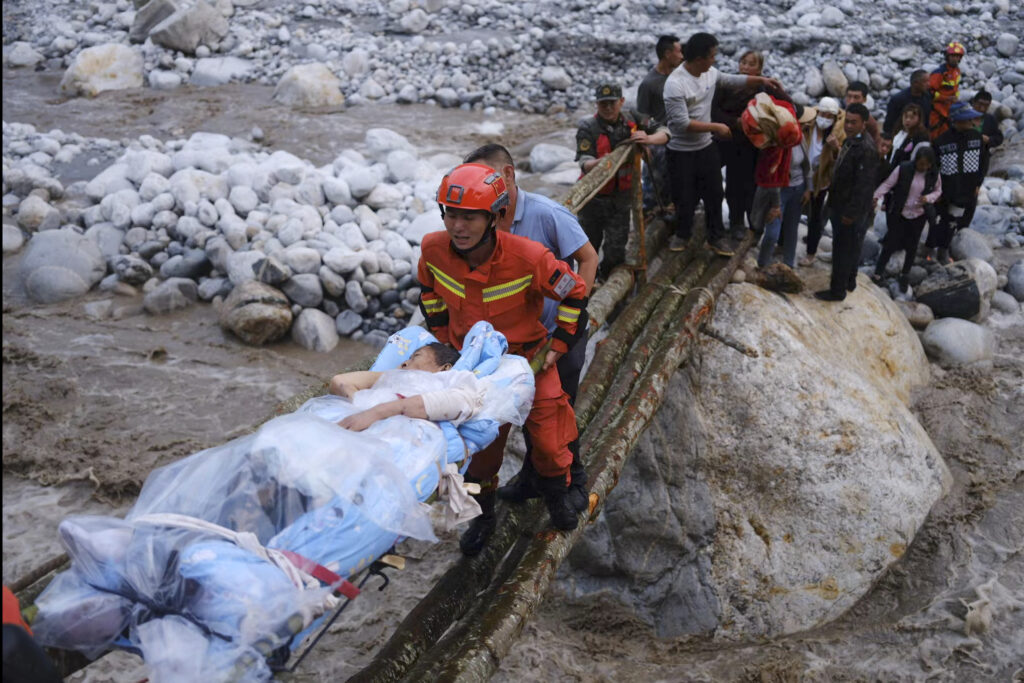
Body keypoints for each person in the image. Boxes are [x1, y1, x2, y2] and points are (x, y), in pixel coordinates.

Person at [418, 163, 588, 554]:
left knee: (549, 440)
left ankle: (557, 497)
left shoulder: (528, 257)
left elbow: (575, 292)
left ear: (494, 217)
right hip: (474, 371)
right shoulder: (432, 250)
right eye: (451, 215)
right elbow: (428, 291)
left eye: (468, 217)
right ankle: (484, 515)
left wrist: (558, 347)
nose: (458, 226)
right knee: (479, 454)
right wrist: (444, 341)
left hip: (528, 361)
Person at [462, 142, 595, 516]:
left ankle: (575, 480)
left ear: (507, 176)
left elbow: (588, 258)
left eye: (484, 177)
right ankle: (528, 479)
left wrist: (574, 316)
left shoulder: (547, 214)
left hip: (556, 335)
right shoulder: (478, 217)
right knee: (513, 415)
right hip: (511, 343)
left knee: (558, 410)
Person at [663, 32, 782, 256]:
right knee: (684, 195)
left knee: (715, 192)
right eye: (712, 56)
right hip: (681, 151)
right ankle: (683, 233)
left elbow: (730, 79)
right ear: (699, 59)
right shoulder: (675, 84)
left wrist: (762, 80)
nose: (715, 60)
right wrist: (716, 127)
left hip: (705, 147)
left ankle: (716, 237)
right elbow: (680, 124)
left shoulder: (709, 73)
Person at [575, 83, 669, 280]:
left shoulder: (633, 118)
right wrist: (605, 163)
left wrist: (648, 139)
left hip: (621, 199)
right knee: (587, 250)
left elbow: (664, 131)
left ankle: (607, 279)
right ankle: (585, 288)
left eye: (612, 103)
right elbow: (584, 162)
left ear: (622, 102)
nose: (608, 108)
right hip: (594, 199)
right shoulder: (588, 128)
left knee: (616, 249)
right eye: (603, 104)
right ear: (597, 105)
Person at [814, 103, 878, 302]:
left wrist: (851, 213)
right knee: (850, 246)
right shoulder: (852, 141)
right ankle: (849, 280)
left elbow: (863, 186)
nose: (848, 126)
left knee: (843, 249)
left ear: (864, 123)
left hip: (849, 207)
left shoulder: (866, 149)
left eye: (853, 122)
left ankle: (837, 290)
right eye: (847, 122)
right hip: (841, 202)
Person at [712, 49, 768, 240]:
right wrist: (734, 122)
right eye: (743, 62)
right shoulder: (728, 85)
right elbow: (713, 111)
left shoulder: (764, 89)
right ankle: (735, 223)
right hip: (727, 139)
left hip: (751, 145)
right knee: (731, 185)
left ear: (759, 69)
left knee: (750, 185)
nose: (746, 67)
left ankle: (753, 225)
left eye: (751, 64)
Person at [925, 101, 989, 264]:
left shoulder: (977, 138)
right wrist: (935, 190)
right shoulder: (941, 142)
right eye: (968, 119)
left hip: (968, 191)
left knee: (957, 221)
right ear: (957, 121)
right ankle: (931, 249)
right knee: (940, 220)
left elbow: (983, 162)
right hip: (947, 191)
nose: (972, 122)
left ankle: (945, 250)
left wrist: (978, 184)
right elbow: (934, 170)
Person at [872, 146, 942, 291]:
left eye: (926, 164)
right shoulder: (903, 169)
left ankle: (905, 274)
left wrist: (928, 198)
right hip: (900, 212)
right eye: (920, 164)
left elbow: (938, 191)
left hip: (918, 214)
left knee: (912, 246)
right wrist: (876, 196)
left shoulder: (934, 174)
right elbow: (888, 184)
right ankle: (878, 273)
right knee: (890, 243)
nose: (923, 167)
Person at [756, 103, 813, 269]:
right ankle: (762, 264)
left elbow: (806, 166)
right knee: (773, 232)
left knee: (791, 229)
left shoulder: (800, 138)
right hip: (778, 191)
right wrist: (774, 204)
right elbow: (770, 176)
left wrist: (808, 188)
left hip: (798, 188)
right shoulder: (774, 143)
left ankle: (788, 263)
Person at [637, 34, 682, 213]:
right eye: (678, 52)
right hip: (658, 142)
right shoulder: (649, 84)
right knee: (654, 181)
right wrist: (646, 144)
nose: (681, 56)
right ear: (667, 54)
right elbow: (642, 116)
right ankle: (650, 214)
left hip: (678, 138)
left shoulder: (679, 76)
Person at [799, 96, 845, 266]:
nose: (824, 119)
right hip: (802, 175)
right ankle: (782, 243)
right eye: (822, 114)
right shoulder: (808, 126)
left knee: (815, 217)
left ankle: (811, 253)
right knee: (792, 209)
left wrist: (835, 148)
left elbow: (839, 162)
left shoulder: (837, 135)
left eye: (829, 116)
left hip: (821, 181)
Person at [928, 41, 965, 139]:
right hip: (936, 111)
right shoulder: (939, 73)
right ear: (947, 56)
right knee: (933, 135)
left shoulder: (956, 72)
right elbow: (929, 93)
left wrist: (956, 99)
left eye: (957, 56)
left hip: (948, 110)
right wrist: (946, 98)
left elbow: (955, 89)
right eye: (953, 56)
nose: (955, 58)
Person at [883, 70, 932, 137]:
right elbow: (889, 125)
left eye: (929, 81)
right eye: (925, 82)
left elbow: (926, 120)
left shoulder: (927, 97)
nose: (928, 84)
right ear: (915, 83)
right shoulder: (898, 100)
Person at [888, 102, 931, 170]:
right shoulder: (899, 132)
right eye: (906, 117)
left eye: (912, 118)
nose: (908, 120)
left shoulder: (921, 137)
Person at [844, 81, 882, 149]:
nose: (851, 101)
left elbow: (876, 146)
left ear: (864, 99)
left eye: (856, 97)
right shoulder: (840, 115)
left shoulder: (870, 122)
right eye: (849, 96)